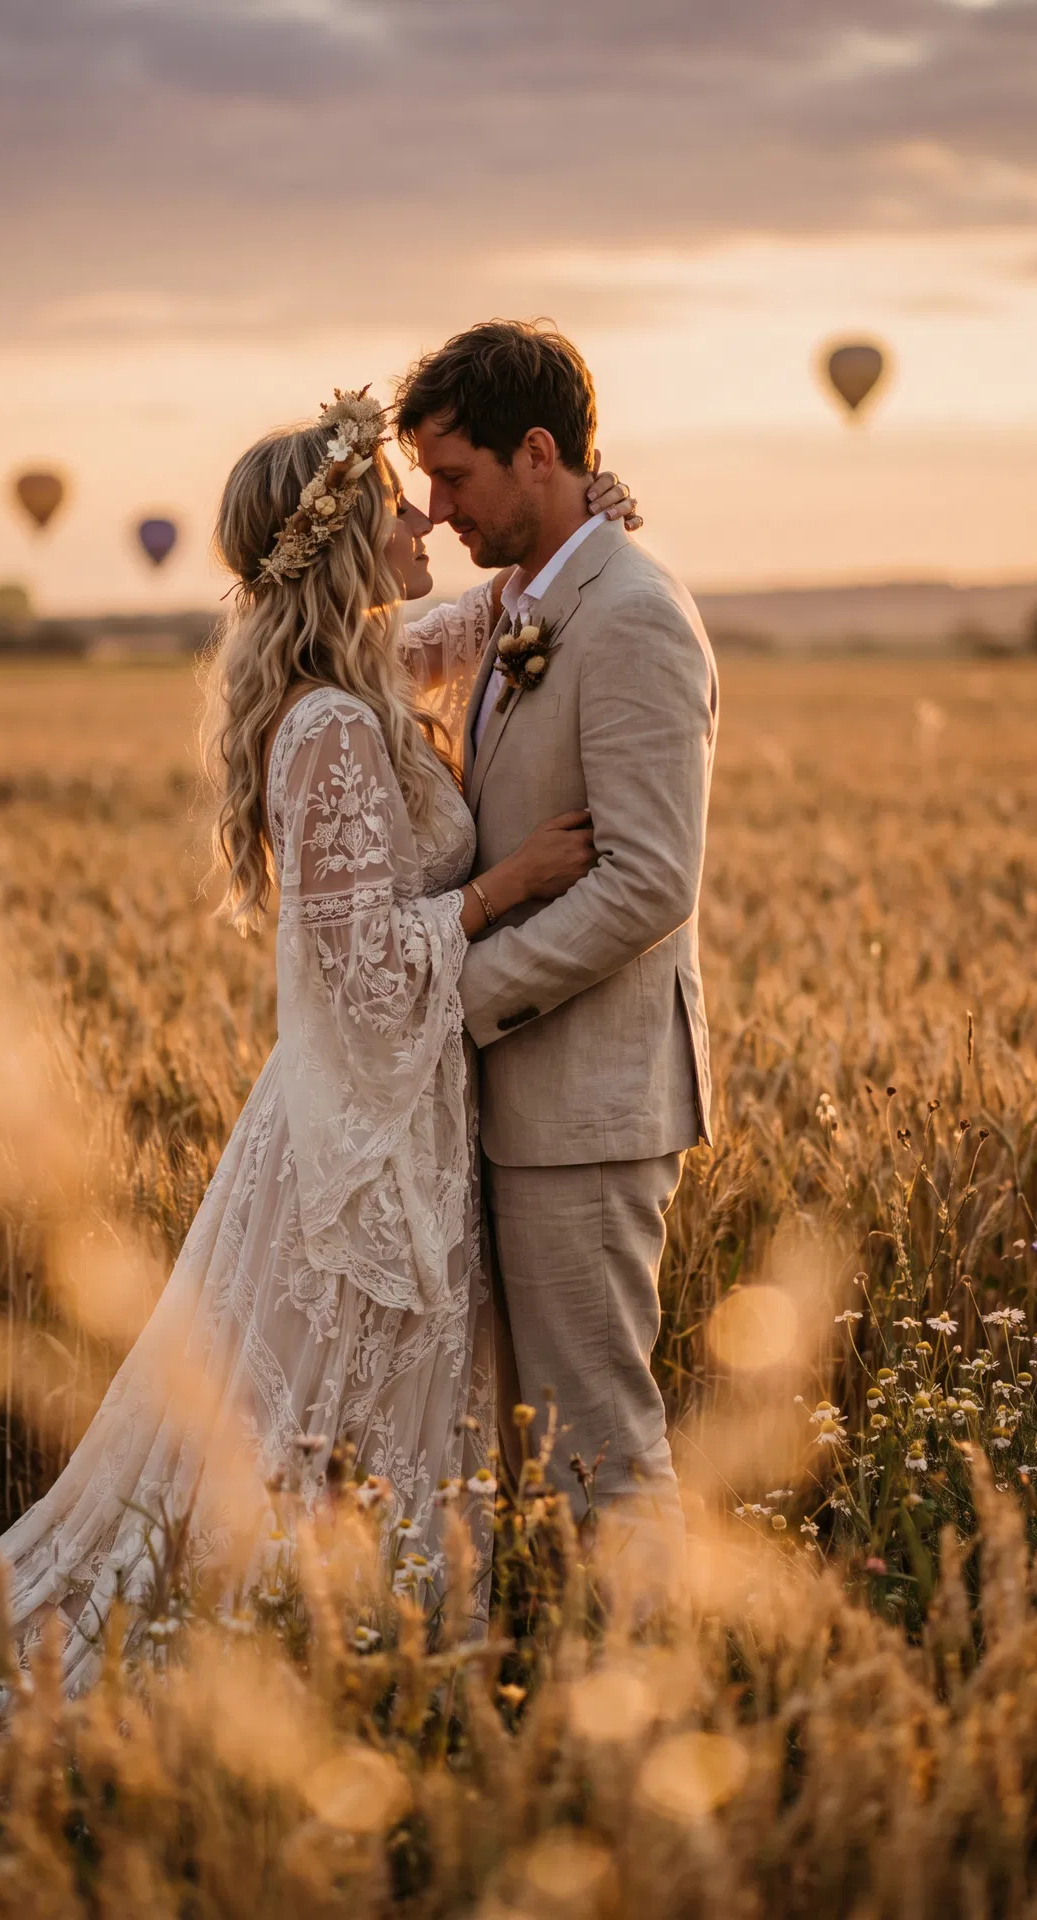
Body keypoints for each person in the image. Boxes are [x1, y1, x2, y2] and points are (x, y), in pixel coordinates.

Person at [0, 383, 642, 1715]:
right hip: (355, 1148)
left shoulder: (363, 671)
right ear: (345, 542)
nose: (429, 521)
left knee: (350, 1438)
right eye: (399, 507)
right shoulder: (323, 726)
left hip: (400, 1122)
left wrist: (575, 529)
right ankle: (313, 1669)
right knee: (318, 1435)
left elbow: (481, 620)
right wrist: (508, 883)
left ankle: (367, 1663)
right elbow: (359, 974)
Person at [393, 321, 718, 1527]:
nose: (436, 510)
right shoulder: (521, 601)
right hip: (515, 1099)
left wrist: (457, 1001)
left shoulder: (629, 614)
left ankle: (651, 1696)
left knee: (599, 1446)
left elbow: (646, 880)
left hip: (585, 1104)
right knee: (534, 1448)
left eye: (455, 476)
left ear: (537, 453)